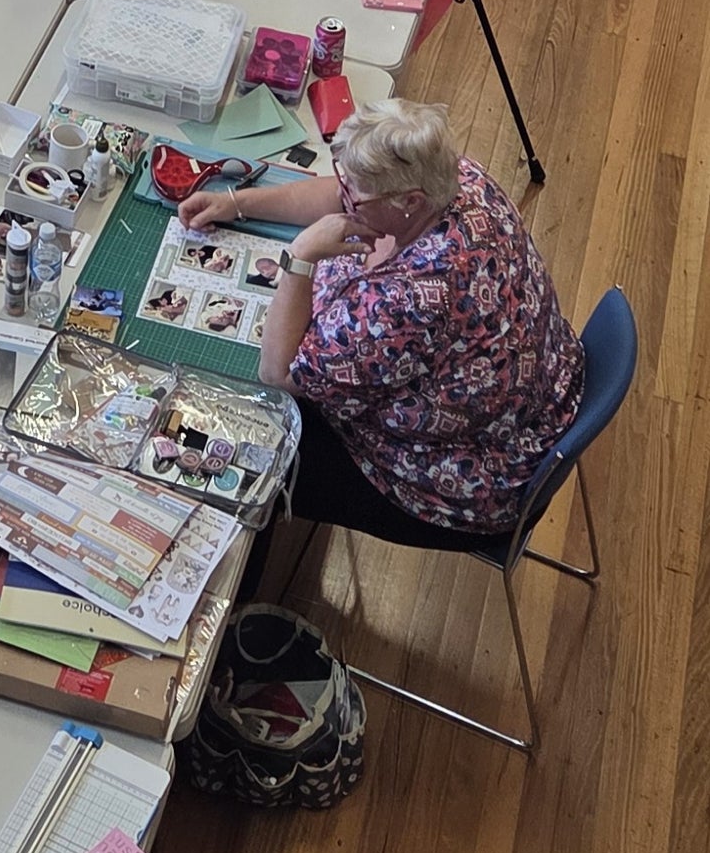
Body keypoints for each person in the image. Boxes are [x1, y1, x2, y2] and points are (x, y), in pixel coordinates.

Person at [180, 100, 584, 549]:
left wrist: (300, 257)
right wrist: (235, 203)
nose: (344, 194)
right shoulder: (452, 176)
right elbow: (339, 195)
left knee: (258, 450)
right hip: (537, 401)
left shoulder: (405, 302)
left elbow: (279, 373)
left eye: (357, 193)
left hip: (473, 481)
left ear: (408, 201)